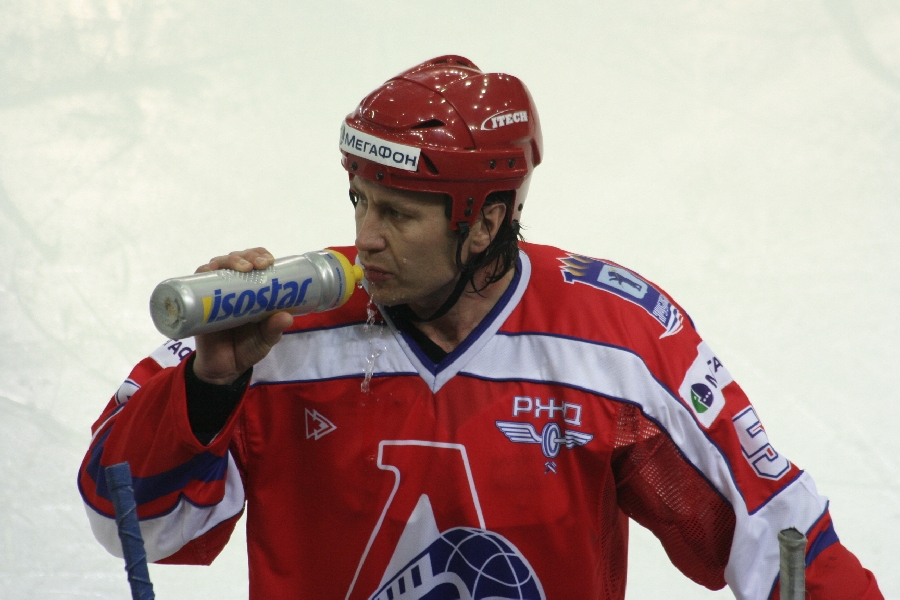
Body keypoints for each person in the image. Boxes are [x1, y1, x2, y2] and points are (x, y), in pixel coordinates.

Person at [78, 56, 882, 599]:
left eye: (399, 214)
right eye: (359, 201)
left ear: (486, 222)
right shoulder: (273, 331)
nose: (365, 239)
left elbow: (777, 536)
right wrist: (209, 386)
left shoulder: (615, 340)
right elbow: (128, 527)